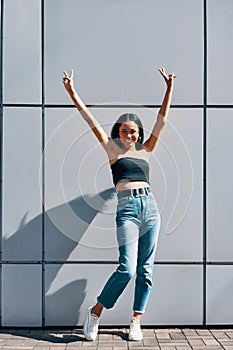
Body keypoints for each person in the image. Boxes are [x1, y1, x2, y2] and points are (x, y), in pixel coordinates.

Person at [62, 67, 176, 341]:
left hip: (150, 208)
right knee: (127, 268)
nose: (130, 134)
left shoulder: (146, 149)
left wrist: (169, 88)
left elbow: (161, 120)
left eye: (134, 131)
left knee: (145, 270)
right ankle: (96, 311)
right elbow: (89, 120)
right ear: (119, 132)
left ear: (139, 134)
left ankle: (136, 320)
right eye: (125, 130)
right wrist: (72, 92)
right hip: (126, 210)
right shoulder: (111, 148)